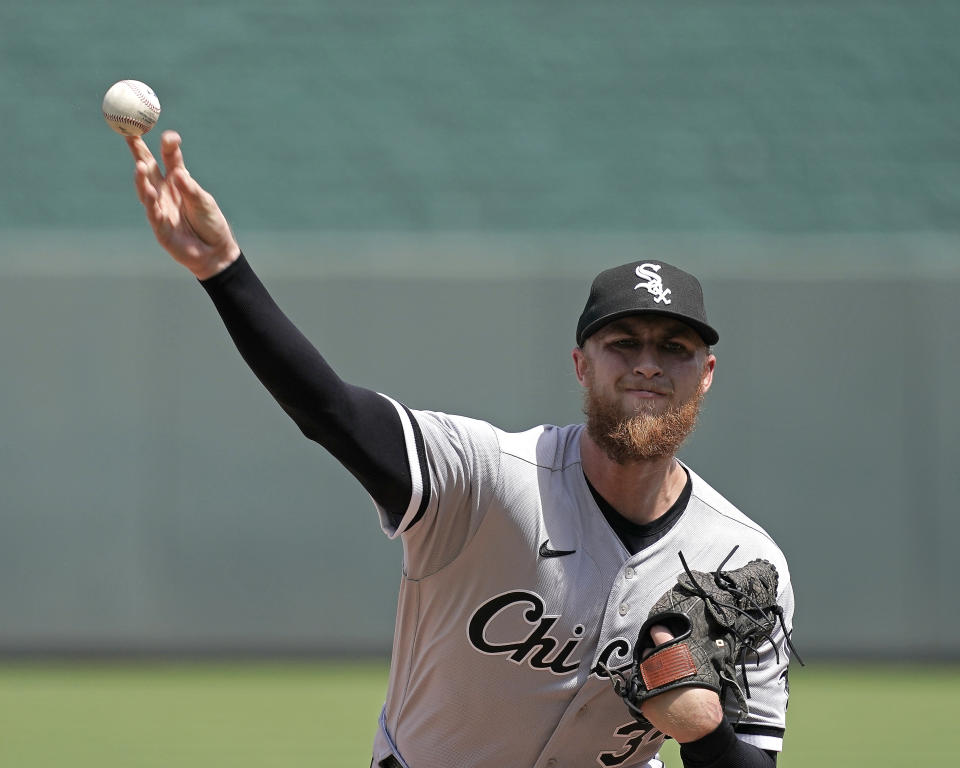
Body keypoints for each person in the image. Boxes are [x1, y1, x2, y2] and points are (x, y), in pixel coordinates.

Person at [127, 131, 797, 768]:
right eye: (624, 342)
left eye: (674, 348)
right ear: (581, 365)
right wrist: (222, 270)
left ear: (705, 374)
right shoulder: (485, 479)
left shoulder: (743, 560)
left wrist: (705, 735)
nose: (648, 364)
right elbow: (331, 412)